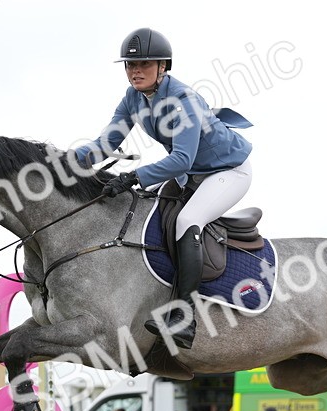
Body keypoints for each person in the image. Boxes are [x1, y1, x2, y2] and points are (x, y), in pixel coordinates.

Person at [73, 27, 254, 350]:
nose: (135, 71)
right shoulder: (133, 98)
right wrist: (63, 162)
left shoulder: (183, 100)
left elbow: (182, 159)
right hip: (192, 176)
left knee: (187, 221)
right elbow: (106, 143)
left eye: (144, 64)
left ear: (163, 67)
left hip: (228, 172)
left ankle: (184, 318)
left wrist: (133, 176)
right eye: (130, 66)